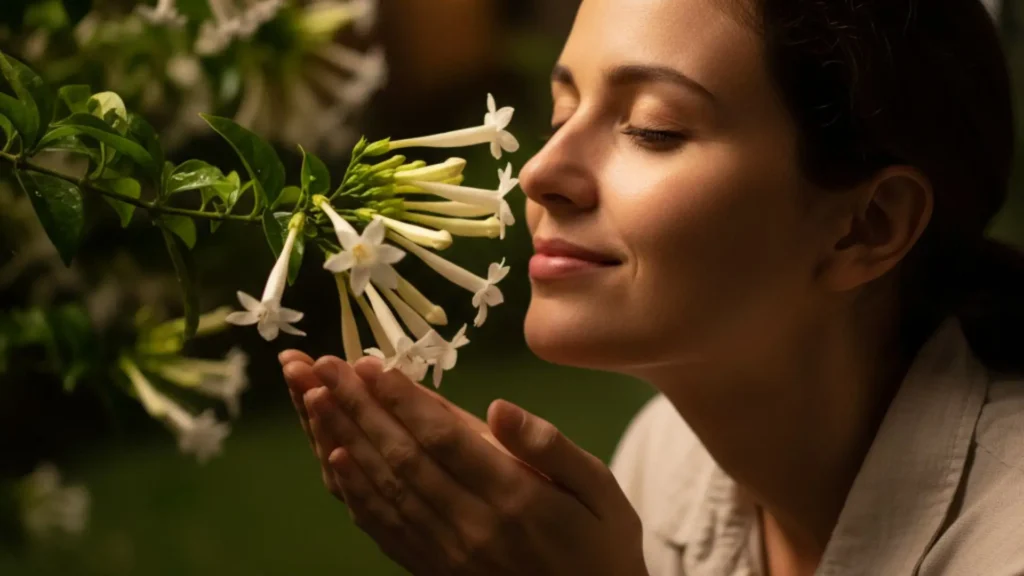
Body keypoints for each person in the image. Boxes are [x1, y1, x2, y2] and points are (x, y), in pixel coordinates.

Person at [279, 0, 1024, 574]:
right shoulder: (664, 464)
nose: (538, 172)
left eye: (651, 128)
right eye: (562, 113)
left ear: (867, 227)